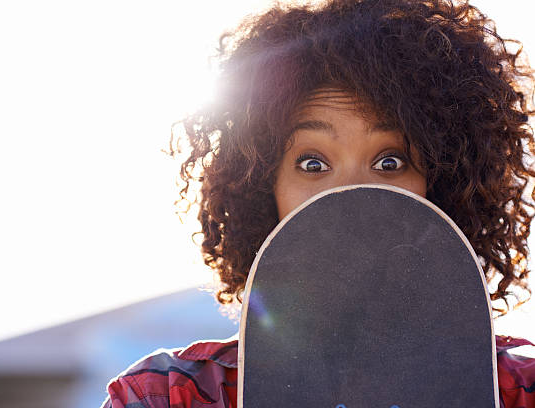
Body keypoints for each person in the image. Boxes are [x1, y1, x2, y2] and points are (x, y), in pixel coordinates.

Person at [100, 0, 535, 406]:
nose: (350, 192)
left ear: (442, 187)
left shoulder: (522, 391)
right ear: (261, 189)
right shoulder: (168, 396)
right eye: (312, 163)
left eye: (390, 161)